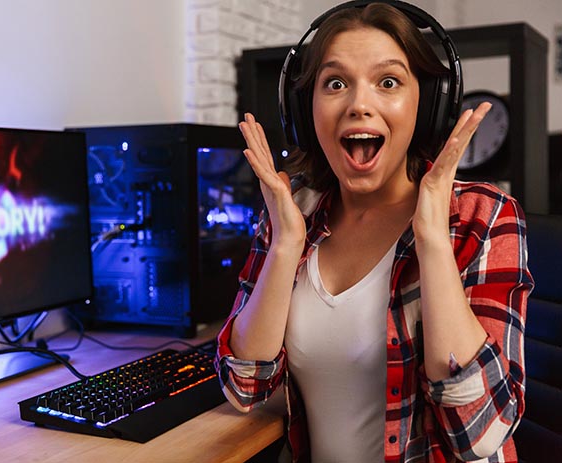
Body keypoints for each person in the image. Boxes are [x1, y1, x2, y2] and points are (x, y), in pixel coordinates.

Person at [214, 2, 534, 462]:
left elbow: (479, 433)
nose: (359, 104)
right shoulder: (293, 212)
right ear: (306, 112)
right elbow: (245, 389)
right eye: (336, 83)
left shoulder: (483, 215)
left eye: (388, 82)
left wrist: (432, 241)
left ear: (427, 103)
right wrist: (285, 245)